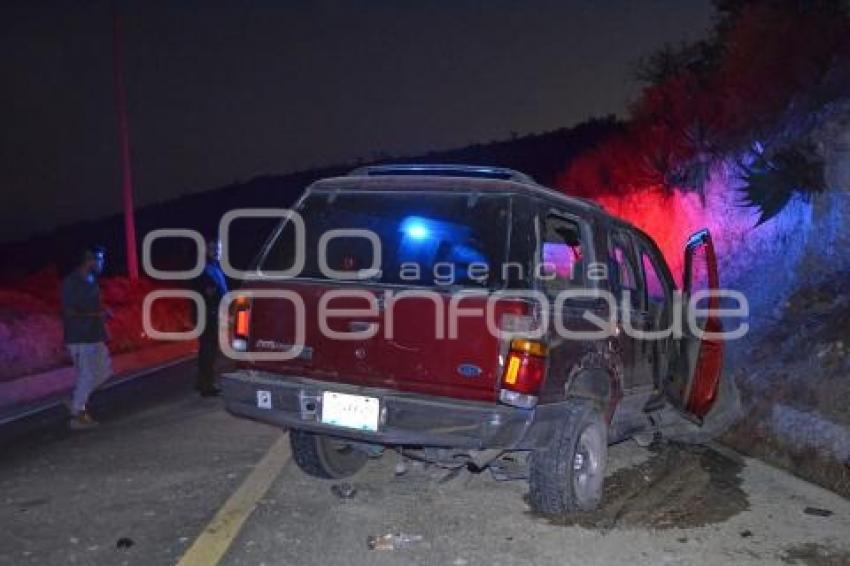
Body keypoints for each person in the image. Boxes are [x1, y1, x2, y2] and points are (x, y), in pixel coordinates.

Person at [61, 245, 113, 429]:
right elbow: (69, 312)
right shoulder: (72, 281)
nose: (102, 263)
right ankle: (77, 416)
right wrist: (96, 315)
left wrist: (102, 313)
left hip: (95, 334)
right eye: (99, 259)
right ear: (89, 260)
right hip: (80, 337)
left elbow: (92, 307)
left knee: (105, 372)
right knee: (88, 375)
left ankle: (76, 399)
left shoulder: (92, 280)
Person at [195, 237, 228, 396]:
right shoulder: (205, 270)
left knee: (209, 349)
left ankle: (204, 381)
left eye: (218, 249)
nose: (217, 252)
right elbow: (209, 294)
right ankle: (206, 384)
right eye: (213, 249)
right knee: (208, 349)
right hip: (208, 315)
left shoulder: (214, 267)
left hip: (212, 314)